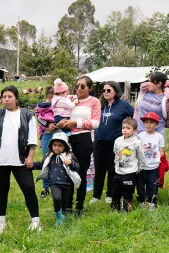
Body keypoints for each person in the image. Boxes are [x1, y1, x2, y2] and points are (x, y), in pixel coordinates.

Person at [0, 85, 40, 234]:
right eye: (4, 97)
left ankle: (36, 221)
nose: (6, 99)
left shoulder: (27, 114)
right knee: (2, 190)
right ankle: (1, 222)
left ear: (16, 98)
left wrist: (30, 156)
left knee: (28, 188)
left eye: (9, 97)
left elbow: (32, 137)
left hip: (20, 159)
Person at [56, 76, 101, 217]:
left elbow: (95, 123)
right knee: (67, 171)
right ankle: (67, 204)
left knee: (81, 172)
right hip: (67, 139)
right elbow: (58, 114)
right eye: (77, 86)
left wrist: (75, 123)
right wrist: (61, 123)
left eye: (83, 86)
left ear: (90, 88)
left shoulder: (94, 102)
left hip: (83, 138)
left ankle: (79, 205)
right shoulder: (69, 99)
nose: (79, 89)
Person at [90, 81, 134, 205]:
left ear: (116, 91)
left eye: (108, 90)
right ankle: (96, 195)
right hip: (99, 142)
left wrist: (129, 131)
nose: (105, 93)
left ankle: (110, 194)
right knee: (99, 170)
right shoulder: (100, 105)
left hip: (115, 143)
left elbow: (134, 115)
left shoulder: (123, 105)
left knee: (112, 169)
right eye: (104, 90)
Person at [35, 132, 81, 226]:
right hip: (54, 183)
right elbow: (41, 164)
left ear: (65, 146)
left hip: (67, 184)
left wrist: (71, 163)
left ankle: (62, 216)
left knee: (64, 202)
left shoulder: (69, 155)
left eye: (60, 145)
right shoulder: (49, 156)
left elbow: (77, 167)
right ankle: (58, 217)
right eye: (55, 145)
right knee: (56, 198)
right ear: (51, 145)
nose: (57, 147)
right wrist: (32, 165)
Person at [112, 118, 145, 212]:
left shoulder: (137, 142)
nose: (125, 130)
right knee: (116, 191)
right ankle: (114, 209)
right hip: (118, 171)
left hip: (130, 172)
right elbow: (115, 152)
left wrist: (139, 168)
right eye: (123, 128)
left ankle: (125, 209)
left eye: (128, 128)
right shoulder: (118, 140)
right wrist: (116, 164)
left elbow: (141, 156)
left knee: (128, 192)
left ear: (134, 130)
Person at [134, 71, 169, 137]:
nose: (148, 83)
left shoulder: (168, 100)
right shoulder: (144, 93)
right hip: (139, 133)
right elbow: (137, 109)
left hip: (156, 136)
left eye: (150, 81)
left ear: (159, 84)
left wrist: (159, 126)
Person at [137, 112, 165, 210]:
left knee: (152, 185)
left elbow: (161, 151)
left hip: (153, 166)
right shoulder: (140, 136)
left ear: (156, 124)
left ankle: (152, 202)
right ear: (143, 123)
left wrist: (156, 158)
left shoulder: (159, 137)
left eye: (151, 122)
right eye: (146, 122)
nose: (148, 124)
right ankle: (141, 201)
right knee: (140, 185)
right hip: (142, 166)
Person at [35, 85, 57, 198]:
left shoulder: (60, 104)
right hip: (46, 133)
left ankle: (57, 185)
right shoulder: (40, 107)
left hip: (58, 132)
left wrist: (55, 125)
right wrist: (48, 125)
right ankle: (45, 187)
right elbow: (38, 118)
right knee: (46, 160)